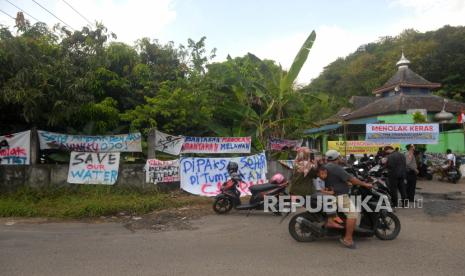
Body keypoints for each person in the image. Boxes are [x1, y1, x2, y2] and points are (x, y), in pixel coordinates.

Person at [324, 150, 373, 249]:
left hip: (332, 193)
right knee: (353, 214)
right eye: (339, 157)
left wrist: (347, 183)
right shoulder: (336, 168)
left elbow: (337, 179)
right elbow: (352, 179)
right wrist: (365, 184)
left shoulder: (327, 166)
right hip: (339, 195)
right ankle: (348, 239)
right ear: (336, 158)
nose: (341, 158)